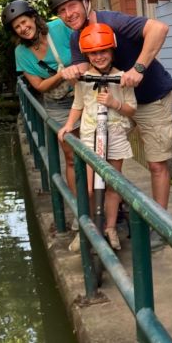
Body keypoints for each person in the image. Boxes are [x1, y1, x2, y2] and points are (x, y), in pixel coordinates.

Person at [50, 0, 172, 248]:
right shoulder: (76, 38)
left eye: (72, 6)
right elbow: (85, 74)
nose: (68, 14)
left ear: (85, 3)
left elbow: (159, 28)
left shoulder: (113, 21)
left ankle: (161, 224)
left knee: (156, 162)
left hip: (150, 96)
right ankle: (106, 219)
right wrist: (71, 73)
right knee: (104, 159)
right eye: (61, 11)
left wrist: (138, 69)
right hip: (113, 104)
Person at [57, 23, 137, 251]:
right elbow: (78, 104)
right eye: (93, 52)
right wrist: (69, 125)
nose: (99, 56)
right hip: (91, 136)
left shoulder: (123, 78)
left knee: (112, 186)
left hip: (116, 135)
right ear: (87, 55)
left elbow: (132, 109)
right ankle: (88, 227)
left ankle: (110, 227)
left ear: (112, 51)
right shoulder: (83, 79)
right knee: (89, 188)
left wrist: (115, 103)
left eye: (103, 51)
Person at [3, 0, 79, 193]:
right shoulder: (21, 52)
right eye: (17, 27)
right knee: (71, 157)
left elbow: (86, 48)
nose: (23, 28)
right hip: (58, 103)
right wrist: (62, 74)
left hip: (83, 93)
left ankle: (110, 202)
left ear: (33, 18)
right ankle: (82, 211)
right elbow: (38, 86)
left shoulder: (59, 27)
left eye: (24, 22)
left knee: (97, 151)